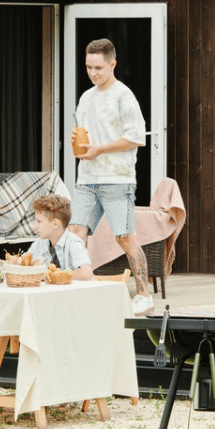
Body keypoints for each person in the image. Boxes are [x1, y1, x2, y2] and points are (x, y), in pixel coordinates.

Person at [69, 38, 154, 316]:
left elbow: (136, 137)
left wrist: (101, 148)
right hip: (86, 178)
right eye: (88, 67)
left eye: (99, 68)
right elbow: (86, 133)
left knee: (124, 236)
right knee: (75, 233)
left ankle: (144, 293)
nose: (93, 73)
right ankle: (80, 286)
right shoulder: (85, 97)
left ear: (112, 64)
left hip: (118, 179)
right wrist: (78, 141)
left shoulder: (123, 96)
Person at [27, 194, 93, 281]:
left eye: (39, 221)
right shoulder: (39, 243)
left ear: (55, 224)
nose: (34, 226)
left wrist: (52, 276)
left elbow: (86, 273)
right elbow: (22, 263)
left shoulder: (73, 242)